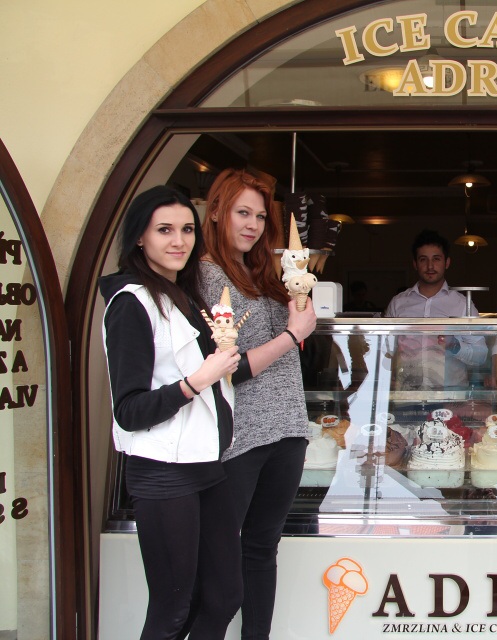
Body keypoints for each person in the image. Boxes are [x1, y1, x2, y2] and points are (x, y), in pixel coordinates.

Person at [99, 186, 242, 640]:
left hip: (207, 465)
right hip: (163, 473)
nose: (179, 241)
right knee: (173, 611)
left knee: (222, 597)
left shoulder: (181, 295)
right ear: (139, 238)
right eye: (164, 230)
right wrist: (198, 380)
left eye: (186, 229)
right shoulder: (131, 304)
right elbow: (129, 411)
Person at [199, 168, 318, 639]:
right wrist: (292, 334)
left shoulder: (262, 272)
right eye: (241, 213)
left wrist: (300, 308)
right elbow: (228, 368)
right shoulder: (207, 275)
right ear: (216, 212)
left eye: (260, 216)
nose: (252, 224)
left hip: (287, 429)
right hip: (242, 436)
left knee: (263, 548)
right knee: (222, 554)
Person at [384, 229, 487, 389]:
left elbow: (481, 355)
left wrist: (454, 346)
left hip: (451, 395)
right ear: (415, 264)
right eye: (423, 259)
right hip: (407, 394)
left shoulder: (462, 304)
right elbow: (385, 349)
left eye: (436, 259)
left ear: (447, 262)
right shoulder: (398, 303)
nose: (430, 266)